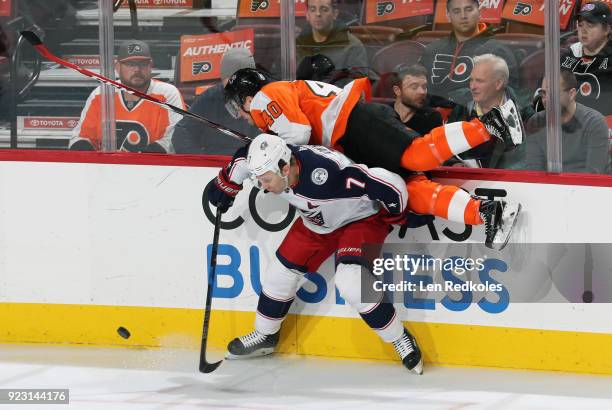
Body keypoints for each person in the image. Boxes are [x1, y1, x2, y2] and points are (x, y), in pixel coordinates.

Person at [224, 68, 522, 249]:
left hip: (356, 124)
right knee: (414, 193)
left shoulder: (264, 98)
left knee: (417, 155)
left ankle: (492, 123)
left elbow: (298, 135)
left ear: (245, 98)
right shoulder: (275, 98)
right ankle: (487, 213)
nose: (239, 115)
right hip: (349, 139)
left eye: (236, 107)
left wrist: (268, 151)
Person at [70, 40, 184, 153]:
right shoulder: (101, 94)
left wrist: (136, 159)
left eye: (143, 64)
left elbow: (174, 139)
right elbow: (80, 138)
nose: (137, 70)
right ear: (118, 67)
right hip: (107, 167)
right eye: (130, 64)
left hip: (152, 167)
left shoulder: (167, 93)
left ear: (150, 66)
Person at [419, 0, 518, 106]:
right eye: (456, 11)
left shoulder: (497, 51)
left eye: (468, 9)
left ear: (479, 12)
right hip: (431, 116)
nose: (463, 16)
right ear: (448, 15)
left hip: (474, 116)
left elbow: (509, 95)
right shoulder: (432, 49)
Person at [447, 54, 534, 168]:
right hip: (465, 181)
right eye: (471, 80)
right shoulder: (461, 108)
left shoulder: (523, 113)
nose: (472, 86)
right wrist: (454, 163)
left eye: (479, 81)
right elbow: (445, 147)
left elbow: (531, 158)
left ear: (498, 83)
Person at [172, 47, 260, 154]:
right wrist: (203, 160)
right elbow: (182, 134)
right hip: (215, 164)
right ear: (222, 79)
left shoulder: (266, 99)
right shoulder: (210, 97)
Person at [526, 70, 610, 174]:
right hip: (549, 188)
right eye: (543, 93)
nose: (546, 99)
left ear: (571, 94)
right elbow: (534, 172)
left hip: (586, 187)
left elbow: (593, 176)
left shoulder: (594, 122)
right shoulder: (536, 122)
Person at [296, 0, 368, 86]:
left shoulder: (352, 46)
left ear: (335, 14)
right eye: (312, 9)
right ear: (307, 14)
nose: (318, 14)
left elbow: (357, 86)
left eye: (324, 9)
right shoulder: (296, 44)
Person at [560, 2, 612, 118]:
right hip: (567, 126)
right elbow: (546, 88)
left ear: (606, 29)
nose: (583, 30)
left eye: (590, 25)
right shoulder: (569, 54)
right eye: (580, 24)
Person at [390, 63, 443, 135]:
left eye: (424, 87)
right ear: (397, 91)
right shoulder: (383, 114)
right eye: (414, 87)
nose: (422, 92)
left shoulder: (431, 118)